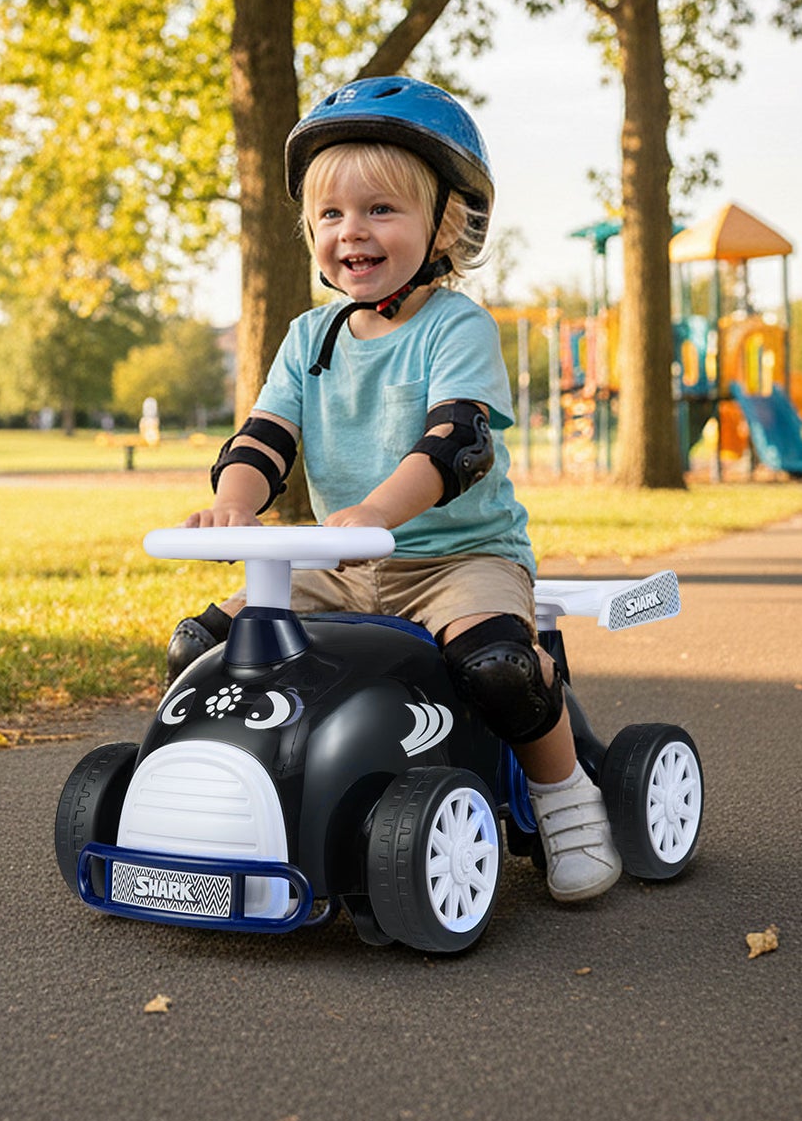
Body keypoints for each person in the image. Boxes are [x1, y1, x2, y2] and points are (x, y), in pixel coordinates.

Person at [170, 76, 620, 903]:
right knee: (202, 646)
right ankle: (234, 805)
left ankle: (564, 798)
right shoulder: (309, 336)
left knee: (496, 665)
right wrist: (238, 499)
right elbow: (266, 436)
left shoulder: (455, 326)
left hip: (456, 558)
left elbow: (456, 442)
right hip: (338, 561)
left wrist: (377, 510)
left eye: (381, 209)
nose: (353, 232)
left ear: (445, 223)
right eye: (332, 215)